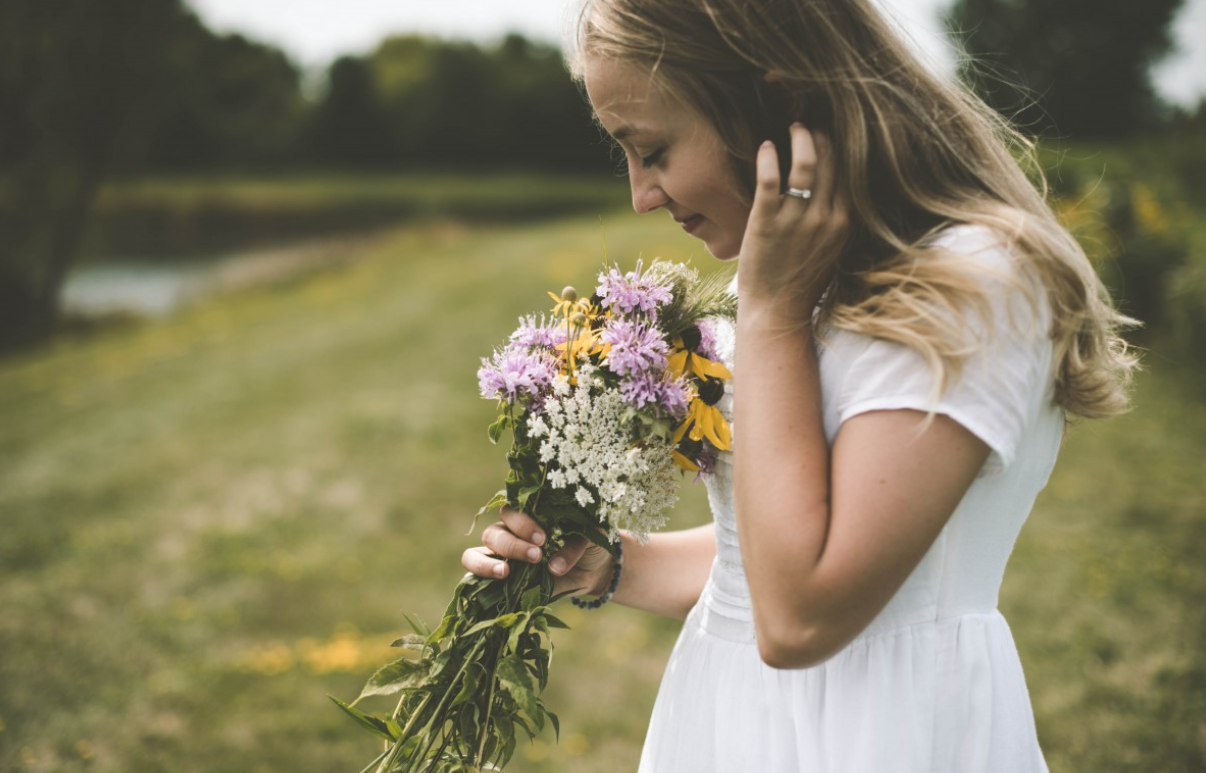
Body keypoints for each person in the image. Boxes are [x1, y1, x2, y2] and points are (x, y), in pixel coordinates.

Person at [461, 0, 1137, 770]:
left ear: (776, 103)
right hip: (731, 720)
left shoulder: (968, 286)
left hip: (882, 732)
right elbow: (769, 550)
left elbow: (800, 613)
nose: (641, 195)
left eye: (651, 149)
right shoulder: (815, 273)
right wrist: (614, 564)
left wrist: (771, 311)